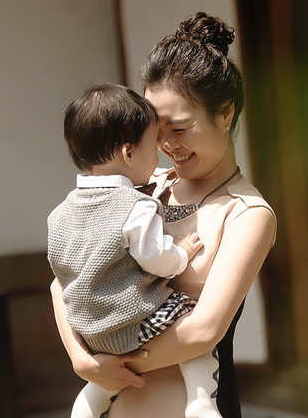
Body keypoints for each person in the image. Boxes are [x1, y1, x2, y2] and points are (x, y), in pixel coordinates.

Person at [51, 13, 277, 418]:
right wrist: (82, 361)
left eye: (180, 128)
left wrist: (111, 363)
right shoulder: (136, 188)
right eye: (156, 132)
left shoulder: (247, 213)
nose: (167, 145)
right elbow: (63, 280)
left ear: (225, 113)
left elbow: (203, 331)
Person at [47, 82, 227, 418]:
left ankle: (85, 411)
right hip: (133, 323)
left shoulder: (60, 213)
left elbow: (61, 272)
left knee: (102, 384)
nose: (160, 155)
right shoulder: (135, 205)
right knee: (189, 320)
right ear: (129, 153)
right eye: (152, 146)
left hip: (89, 333)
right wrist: (182, 252)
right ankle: (201, 403)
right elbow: (156, 259)